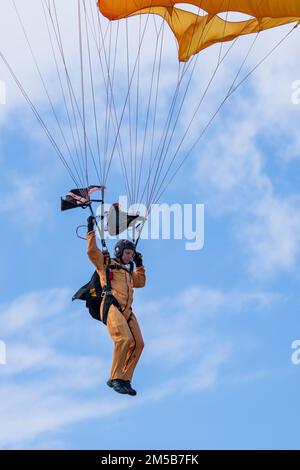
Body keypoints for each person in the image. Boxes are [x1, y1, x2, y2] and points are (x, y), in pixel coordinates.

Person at [86, 216, 146, 396]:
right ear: (120, 251)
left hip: (127, 311)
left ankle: (125, 379)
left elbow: (141, 282)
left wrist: (140, 265)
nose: (130, 256)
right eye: (128, 253)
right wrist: (91, 230)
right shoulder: (107, 264)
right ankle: (114, 378)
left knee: (138, 344)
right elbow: (91, 252)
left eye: (132, 254)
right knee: (123, 339)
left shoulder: (128, 272)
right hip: (112, 306)